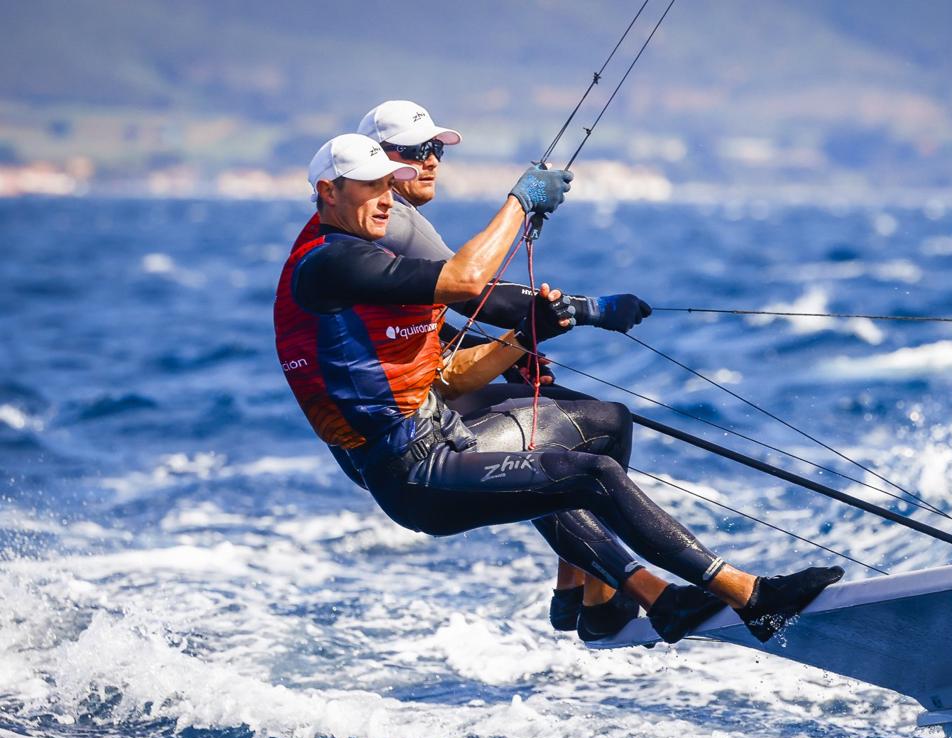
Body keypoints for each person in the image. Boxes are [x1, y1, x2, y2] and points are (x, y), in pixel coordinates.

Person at [274, 133, 844, 646]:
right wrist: (521, 199)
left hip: (441, 439)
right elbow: (469, 282)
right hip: (413, 474)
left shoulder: (370, 259)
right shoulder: (327, 265)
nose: (384, 199)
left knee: (604, 423)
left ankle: (619, 599)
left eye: (387, 186)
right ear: (328, 192)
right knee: (589, 476)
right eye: (369, 188)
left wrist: (524, 339)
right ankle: (750, 597)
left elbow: (445, 377)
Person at [350, 99, 659, 641]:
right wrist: (591, 310)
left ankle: (576, 591)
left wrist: (509, 351)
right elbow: (480, 296)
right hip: (401, 433)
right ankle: (598, 594)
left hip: (386, 426)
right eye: (415, 152)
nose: (430, 162)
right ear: (379, 164)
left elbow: (420, 321)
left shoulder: (382, 221)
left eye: (436, 150)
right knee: (593, 424)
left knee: (552, 429)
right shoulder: (394, 220)